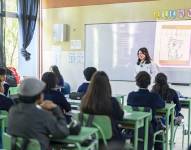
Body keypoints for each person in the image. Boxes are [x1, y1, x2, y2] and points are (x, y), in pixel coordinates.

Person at [7, 78, 69, 150]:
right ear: (39, 96)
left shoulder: (13, 110)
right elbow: (63, 133)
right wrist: (56, 109)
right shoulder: (44, 115)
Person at [80, 71, 124, 141]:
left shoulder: (85, 100)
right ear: (107, 85)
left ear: (92, 84)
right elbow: (120, 117)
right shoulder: (112, 102)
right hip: (111, 141)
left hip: (90, 139)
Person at [127, 71, 165, 150]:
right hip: (150, 126)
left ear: (137, 82)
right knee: (160, 129)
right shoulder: (154, 96)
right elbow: (162, 105)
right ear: (149, 82)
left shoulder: (131, 95)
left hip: (134, 127)